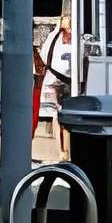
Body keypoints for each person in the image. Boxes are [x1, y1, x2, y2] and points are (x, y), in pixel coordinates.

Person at [34, 10, 86, 161]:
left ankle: (67, 150)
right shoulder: (55, 36)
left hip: (71, 81)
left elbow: (84, 56)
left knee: (68, 116)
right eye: (64, 18)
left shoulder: (78, 38)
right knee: (57, 115)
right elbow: (44, 55)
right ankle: (61, 150)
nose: (66, 20)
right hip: (55, 80)